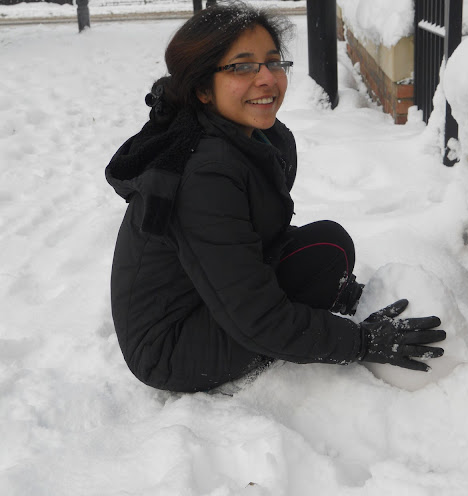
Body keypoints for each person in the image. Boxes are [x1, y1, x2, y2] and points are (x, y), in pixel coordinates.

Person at [106, 1, 446, 393]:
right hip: (172, 349)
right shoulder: (204, 174)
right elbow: (256, 317)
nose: (267, 78)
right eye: (242, 66)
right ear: (202, 88)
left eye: (273, 62)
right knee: (319, 263)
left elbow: (252, 234)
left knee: (329, 248)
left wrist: (341, 290)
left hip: (206, 296)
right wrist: (363, 342)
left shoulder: (250, 138)